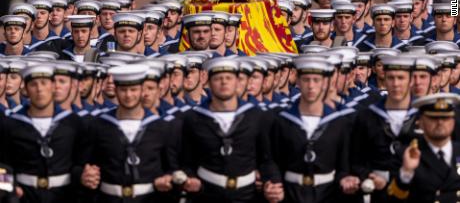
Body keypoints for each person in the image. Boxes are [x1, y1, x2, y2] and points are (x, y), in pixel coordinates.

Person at [180, 57, 284, 203]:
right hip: (207, 194)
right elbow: (186, 161)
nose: (224, 82)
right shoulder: (193, 118)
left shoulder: (256, 116)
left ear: (237, 82)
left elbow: (266, 159)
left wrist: (272, 183)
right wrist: (189, 178)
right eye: (218, 78)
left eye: (229, 78)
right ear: (208, 82)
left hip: (248, 195)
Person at [78, 64, 174, 202]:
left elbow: (172, 167)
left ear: (142, 91)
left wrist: (168, 178)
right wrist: (84, 175)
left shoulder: (161, 127)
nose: (128, 95)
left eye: (133, 89)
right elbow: (82, 164)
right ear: (115, 90)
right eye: (123, 90)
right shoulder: (98, 126)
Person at [271, 57, 358, 202]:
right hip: (290, 193)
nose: (311, 86)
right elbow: (273, 160)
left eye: (316, 80)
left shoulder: (338, 122)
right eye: (306, 80)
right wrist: (274, 183)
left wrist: (345, 179)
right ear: (297, 81)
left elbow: (343, 165)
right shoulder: (283, 120)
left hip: (327, 194)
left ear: (325, 83)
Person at [0, 64, 84, 203]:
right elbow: (3, 164)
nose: (39, 89)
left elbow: (80, 163)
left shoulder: (72, 123)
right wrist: (10, 191)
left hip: (63, 196)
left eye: (44, 83)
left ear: (53, 87)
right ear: (26, 89)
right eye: (33, 84)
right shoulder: (10, 124)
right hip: (23, 196)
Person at [351, 55, 419, 203]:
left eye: (401, 78)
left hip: (415, 189)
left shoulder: (423, 116)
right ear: (384, 79)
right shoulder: (367, 116)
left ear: (411, 80)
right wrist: (369, 175)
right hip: (377, 190)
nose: (395, 84)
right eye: (391, 78)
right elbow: (356, 158)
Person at [387, 93, 460, 203]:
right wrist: (406, 173)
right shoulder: (406, 154)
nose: (440, 122)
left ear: (453, 121)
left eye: (445, 117)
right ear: (420, 122)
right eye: (433, 118)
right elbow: (391, 199)